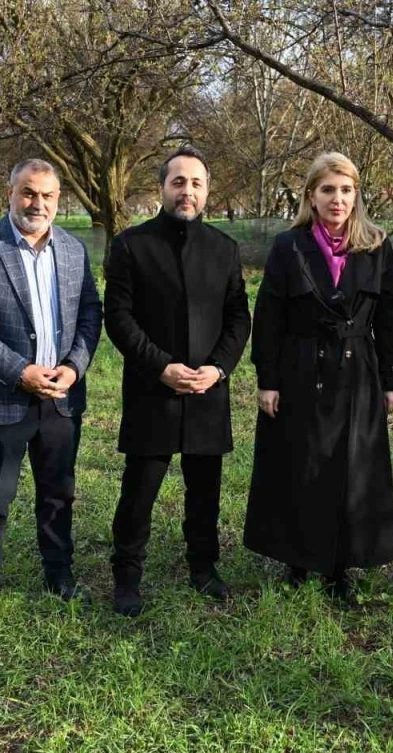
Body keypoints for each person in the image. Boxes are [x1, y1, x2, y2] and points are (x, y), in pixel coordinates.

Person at [243, 152, 393, 606]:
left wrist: (391, 379)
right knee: (301, 463)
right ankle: (298, 558)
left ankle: (340, 566)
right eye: (328, 190)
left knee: (351, 467)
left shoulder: (376, 245)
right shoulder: (288, 246)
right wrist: (268, 379)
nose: (338, 199)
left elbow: (391, 317)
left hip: (357, 370)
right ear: (311, 196)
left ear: (356, 195)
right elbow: (269, 317)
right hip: (299, 368)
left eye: (346, 190)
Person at [103, 145, 251, 617]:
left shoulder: (225, 249)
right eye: (178, 182)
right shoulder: (131, 245)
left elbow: (238, 317)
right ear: (162, 187)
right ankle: (127, 575)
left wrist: (218, 368)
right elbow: (118, 317)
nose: (187, 191)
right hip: (153, 389)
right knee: (139, 491)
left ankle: (204, 568)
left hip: (208, 389)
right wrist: (160, 366)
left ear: (207, 191)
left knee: (205, 491)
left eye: (196, 183)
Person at [0, 158, 102, 617]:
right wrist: (20, 371)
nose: (38, 203)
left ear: (58, 199)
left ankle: (59, 574)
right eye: (29, 193)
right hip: (2, 395)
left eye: (47, 195)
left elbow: (90, 313)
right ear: (11, 193)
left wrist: (74, 367)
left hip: (61, 396)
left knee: (59, 492)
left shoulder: (73, 249)